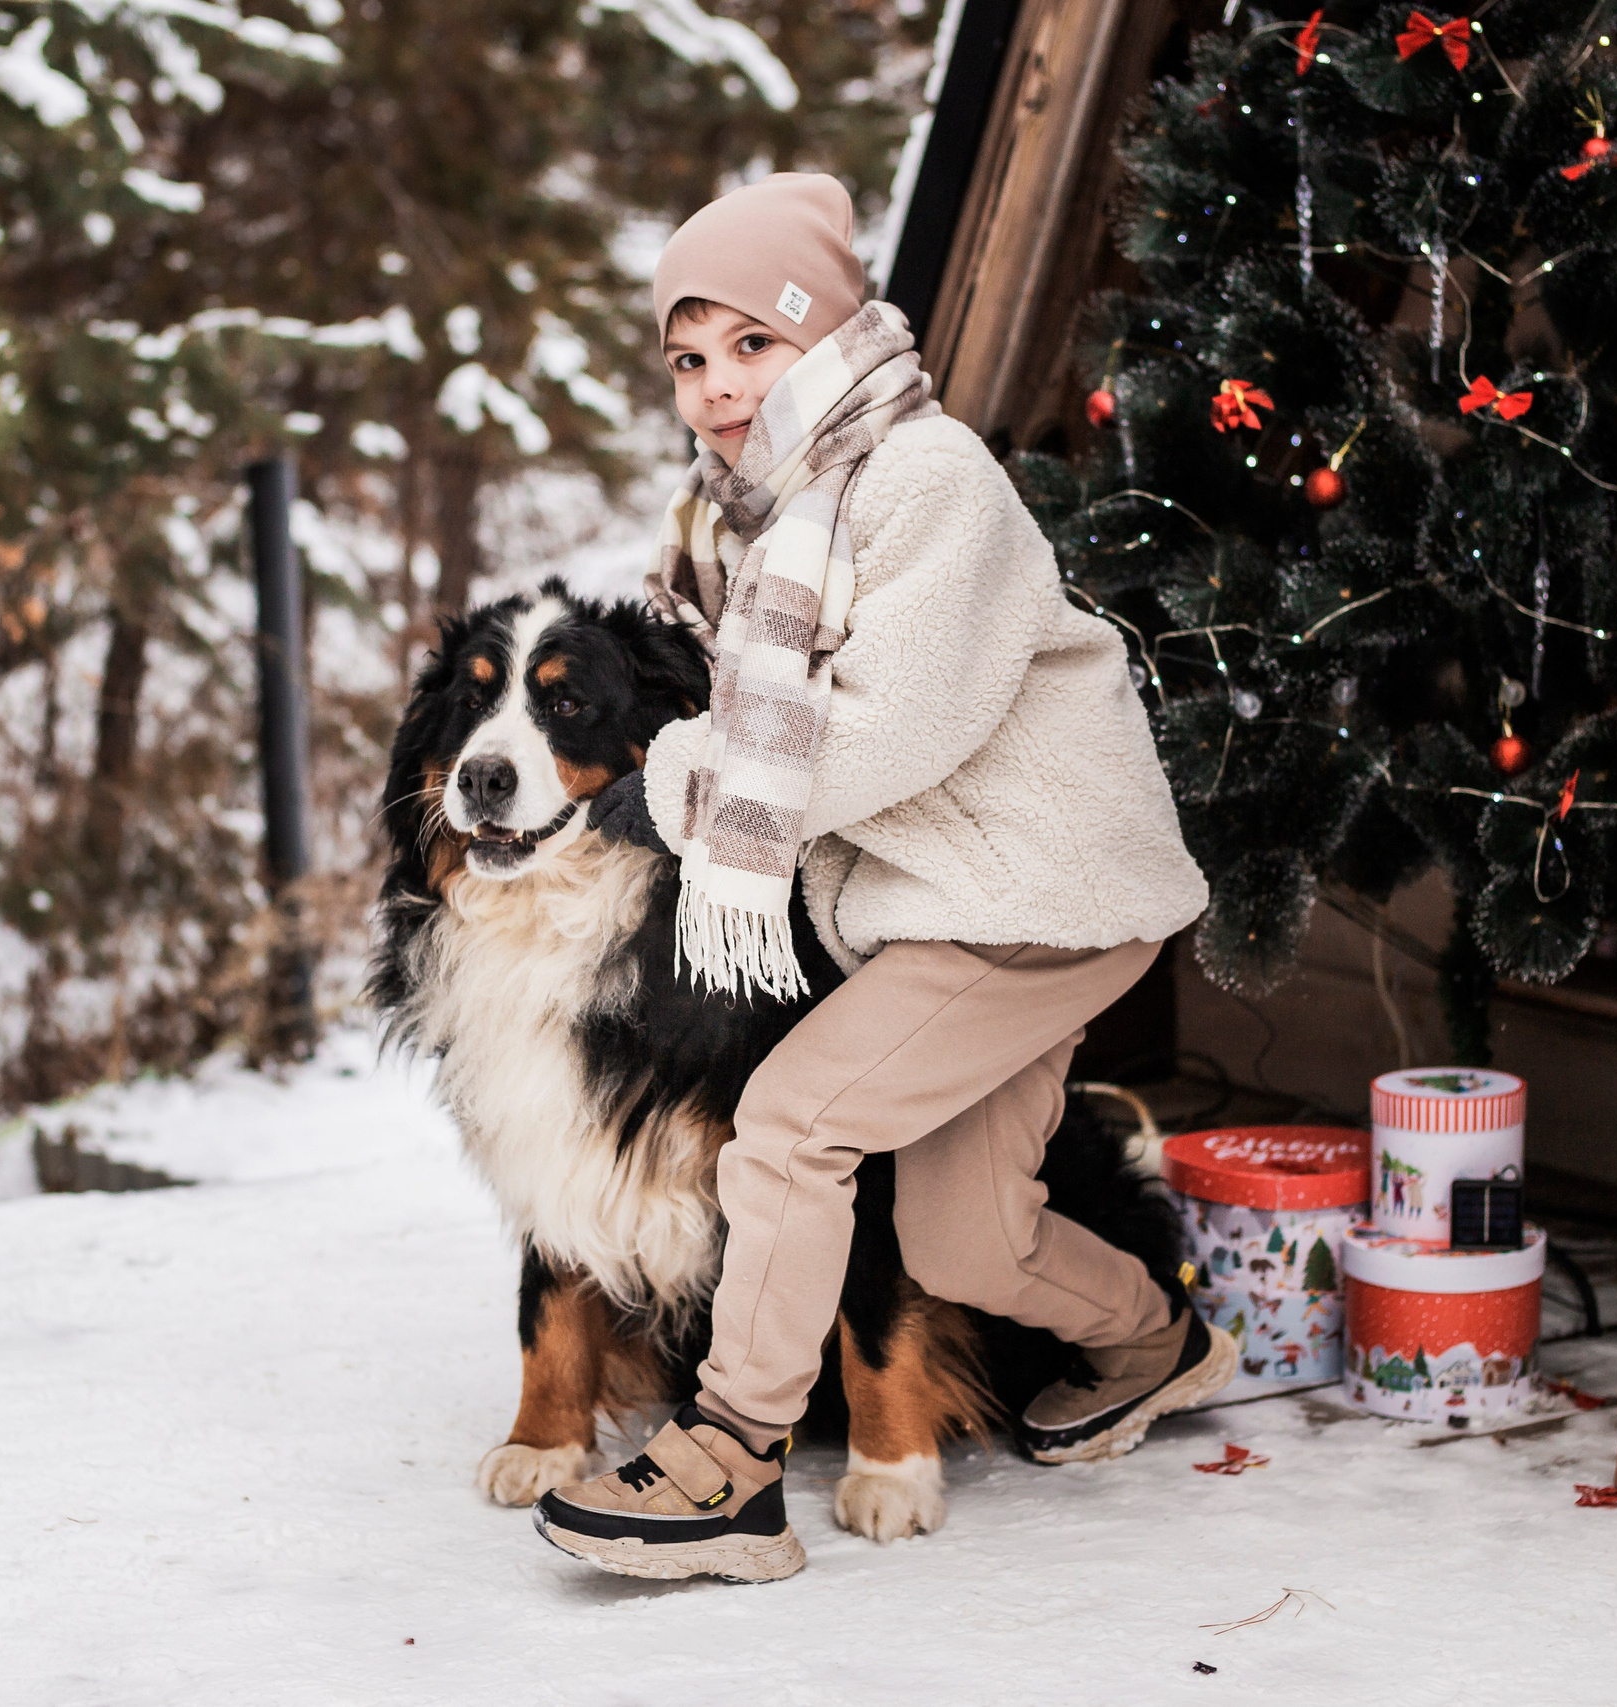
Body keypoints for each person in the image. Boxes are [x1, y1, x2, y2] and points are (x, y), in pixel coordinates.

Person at [534, 173, 1216, 1583]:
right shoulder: (749, 522)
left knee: (787, 1125)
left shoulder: (922, 478)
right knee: (969, 1241)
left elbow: (885, 730)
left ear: (830, 335)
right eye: (687, 358)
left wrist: (667, 786)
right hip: (958, 907)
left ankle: (729, 1463)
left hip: (1027, 899)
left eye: (751, 345)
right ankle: (1160, 1343)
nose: (716, 388)